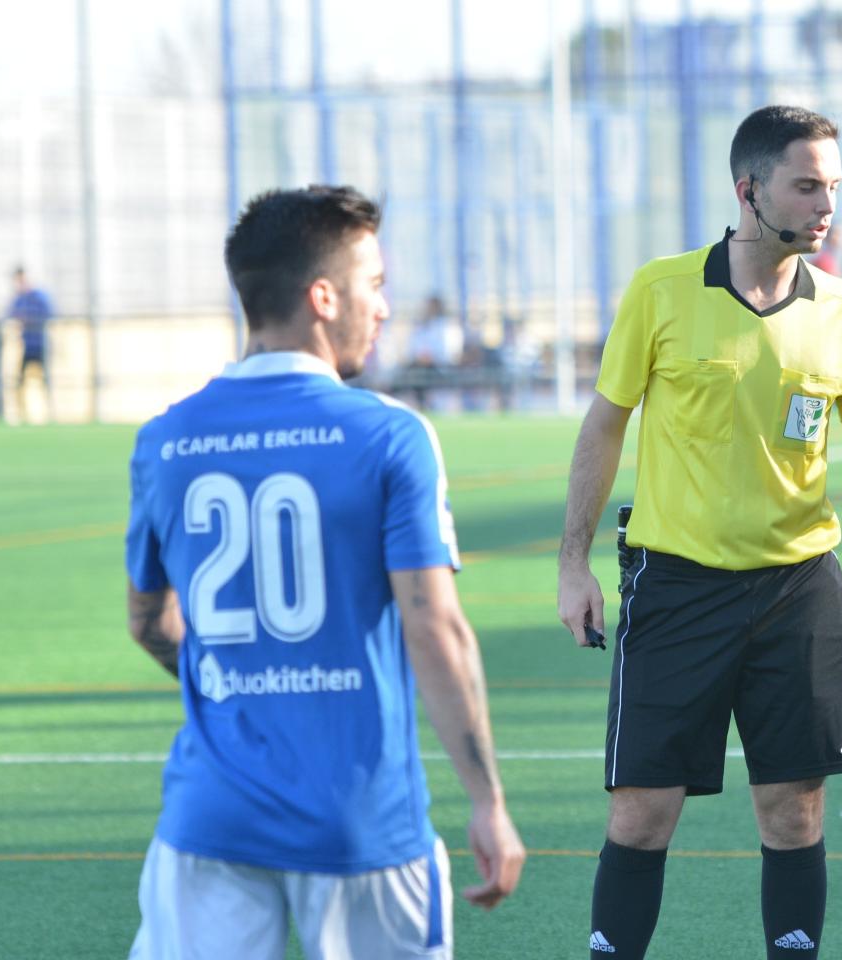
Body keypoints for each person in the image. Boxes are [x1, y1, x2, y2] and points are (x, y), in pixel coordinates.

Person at [555, 105, 842, 960]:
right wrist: (573, 564)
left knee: (793, 811)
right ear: (748, 190)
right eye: (806, 185)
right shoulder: (661, 290)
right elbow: (603, 428)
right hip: (675, 586)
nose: (826, 204)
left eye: (833, 185)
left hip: (798, 591)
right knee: (641, 813)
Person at [123, 186, 525, 959]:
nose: (383, 307)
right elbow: (433, 629)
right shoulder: (389, 436)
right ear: (322, 296)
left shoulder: (163, 441)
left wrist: (239, 680)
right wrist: (488, 802)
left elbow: (148, 623)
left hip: (210, 817)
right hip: (361, 823)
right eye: (373, 286)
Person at [4, 266, 55, 422]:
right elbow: (10, 314)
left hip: (41, 345)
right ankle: (21, 414)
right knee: (20, 381)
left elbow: (50, 313)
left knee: (46, 381)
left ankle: (50, 414)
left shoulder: (40, 296)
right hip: (27, 346)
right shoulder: (19, 299)